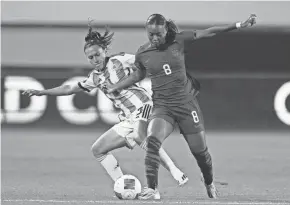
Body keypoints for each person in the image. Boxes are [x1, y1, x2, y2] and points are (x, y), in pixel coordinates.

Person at [104, 13, 257, 200]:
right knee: (152, 142)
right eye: (150, 34)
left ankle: (208, 181)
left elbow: (209, 32)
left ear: (166, 30)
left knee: (201, 153)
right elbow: (138, 75)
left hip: (186, 106)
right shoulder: (142, 53)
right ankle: (152, 188)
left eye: (158, 34)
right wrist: (116, 87)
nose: (154, 38)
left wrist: (239, 24)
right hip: (162, 107)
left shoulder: (179, 40)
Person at [22, 20, 189, 190]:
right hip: (128, 118)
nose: (95, 59)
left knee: (140, 136)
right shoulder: (94, 78)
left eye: (97, 54)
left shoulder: (120, 60)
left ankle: (176, 171)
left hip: (143, 105)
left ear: (105, 50)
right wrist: (42, 92)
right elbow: (69, 88)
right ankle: (124, 186)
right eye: (91, 57)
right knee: (98, 149)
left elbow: (145, 60)